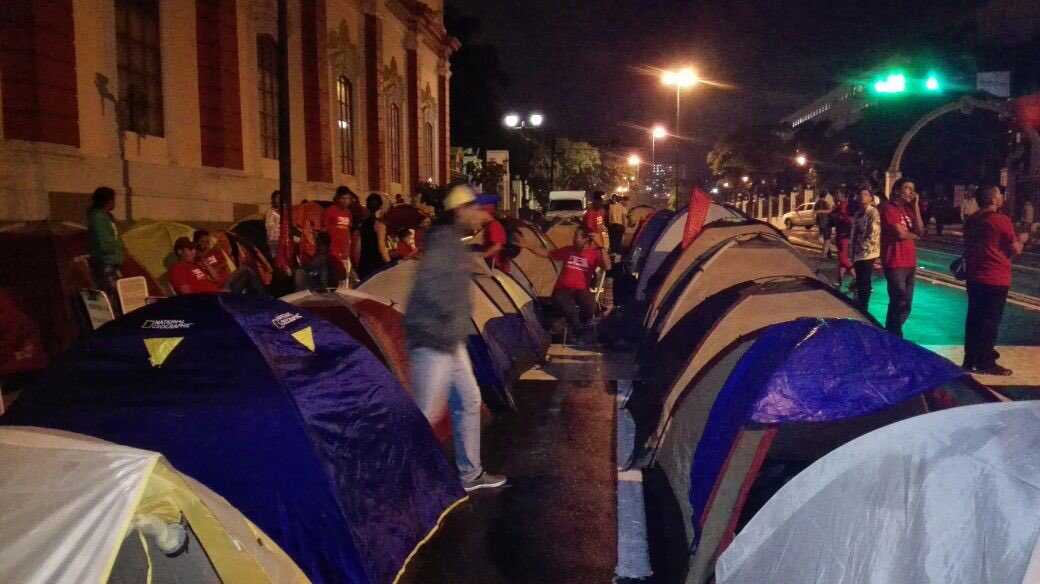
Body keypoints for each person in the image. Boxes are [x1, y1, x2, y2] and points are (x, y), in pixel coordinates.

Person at [404, 185, 506, 492]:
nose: (481, 216)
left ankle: (470, 474)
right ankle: (397, 481)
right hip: (434, 339)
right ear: (460, 211)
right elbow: (431, 288)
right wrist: (450, 321)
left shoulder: (454, 243)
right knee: (427, 412)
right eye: (476, 209)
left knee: (470, 399)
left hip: (450, 340)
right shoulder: (443, 244)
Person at [962, 186, 1029, 375]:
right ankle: (986, 361)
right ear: (992, 199)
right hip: (995, 277)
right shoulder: (1001, 220)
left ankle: (970, 358)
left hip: (975, 276)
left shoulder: (971, 220)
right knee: (990, 320)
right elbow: (1014, 248)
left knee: (974, 318)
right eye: (1000, 195)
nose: (1002, 198)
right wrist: (1023, 239)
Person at [529, 225, 612, 339]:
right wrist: (527, 246)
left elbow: (608, 266)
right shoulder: (568, 250)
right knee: (567, 306)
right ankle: (578, 330)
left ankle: (578, 327)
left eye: (576, 236)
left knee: (590, 306)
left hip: (581, 289)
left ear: (586, 239)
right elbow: (547, 254)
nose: (573, 239)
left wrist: (601, 247)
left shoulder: (594, 254)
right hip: (562, 289)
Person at [879, 178, 925, 337]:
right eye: (907, 188)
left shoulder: (909, 211)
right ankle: (893, 335)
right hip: (895, 261)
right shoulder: (889, 209)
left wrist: (916, 206)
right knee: (898, 300)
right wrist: (913, 235)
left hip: (909, 262)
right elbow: (901, 233)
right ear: (897, 190)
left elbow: (920, 230)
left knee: (907, 303)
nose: (911, 192)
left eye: (913, 189)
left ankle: (892, 333)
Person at [192, 230, 268, 296]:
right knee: (245, 270)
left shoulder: (215, 251)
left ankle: (265, 299)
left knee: (249, 272)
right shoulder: (196, 259)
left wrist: (213, 269)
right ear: (196, 243)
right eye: (202, 242)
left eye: (207, 242)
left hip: (230, 284)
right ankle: (267, 300)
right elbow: (206, 276)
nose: (206, 245)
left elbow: (223, 264)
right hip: (219, 289)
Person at [86, 186, 124, 312]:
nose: (115, 203)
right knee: (110, 296)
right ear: (107, 201)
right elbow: (103, 244)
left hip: (113, 262)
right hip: (105, 263)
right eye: (113, 200)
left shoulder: (108, 217)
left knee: (117, 295)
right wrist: (116, 245)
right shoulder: (97, 219)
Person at [850, 187, 881, 309]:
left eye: (866, 194)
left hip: (868, 252)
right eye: (861, 194)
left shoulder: (873, 212)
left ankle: (864, 306)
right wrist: (852, 248)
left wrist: (861, 246)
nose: (863, 196)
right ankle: (861, 303)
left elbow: (873, 232)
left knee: (865, 279)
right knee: (860, 279)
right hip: (858, 252)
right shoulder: (858, 214)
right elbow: (854, 232)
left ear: (870, 198)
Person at [323, 187, 355, 285]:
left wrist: (348, 249)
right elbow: (324, 230)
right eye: (343, 198)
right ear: (337, 198)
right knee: (334, 280)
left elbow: (348, 231)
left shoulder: (348, 213)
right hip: (333, 252)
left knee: (344, 280)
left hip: (345, 252)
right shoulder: (329, 211)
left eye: (348, 198)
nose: (346, 201)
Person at [356, 193, 391, 280]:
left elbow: (358, 246)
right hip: (376, 265)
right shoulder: (379, 225)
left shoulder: (363, 223)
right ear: (380, 206)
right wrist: (389, 262)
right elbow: (381, 246)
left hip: (363, 263)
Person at [480, 197, 510, 273]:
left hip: (497, 267)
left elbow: (497, 246)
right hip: (492, 265)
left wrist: (481, 256)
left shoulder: (494, 226)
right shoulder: (488, 226)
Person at [832, 189, 853, 288]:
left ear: (844, 197)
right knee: (842, 261)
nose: (837, 198)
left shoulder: (847, 207)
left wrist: (843, 217)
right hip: (839, 235)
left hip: (845, 236)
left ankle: (857, 277)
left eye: (839, 196)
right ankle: (839, 280)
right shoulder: (839, 208)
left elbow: (851, 221)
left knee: (843, 257)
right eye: (836, 196)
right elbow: (831, 213)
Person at [813, 190, 834, 258]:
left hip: (822, 223)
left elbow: (814, 212)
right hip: (826, 222)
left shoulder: (817, 203)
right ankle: (825, 253)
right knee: (826, 239)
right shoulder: (825, 203)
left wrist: (818, 213)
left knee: (823, 238)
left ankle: (825, 254)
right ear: (825, 196)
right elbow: (829, 211)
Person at [264, 190, 281, 258]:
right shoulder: (270, 212)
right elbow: (270, 227)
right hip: (274, 240)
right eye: (277, 198)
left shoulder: (282, 211)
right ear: (273, 199)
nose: (279, 200)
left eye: (280, 198)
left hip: (282, 239)